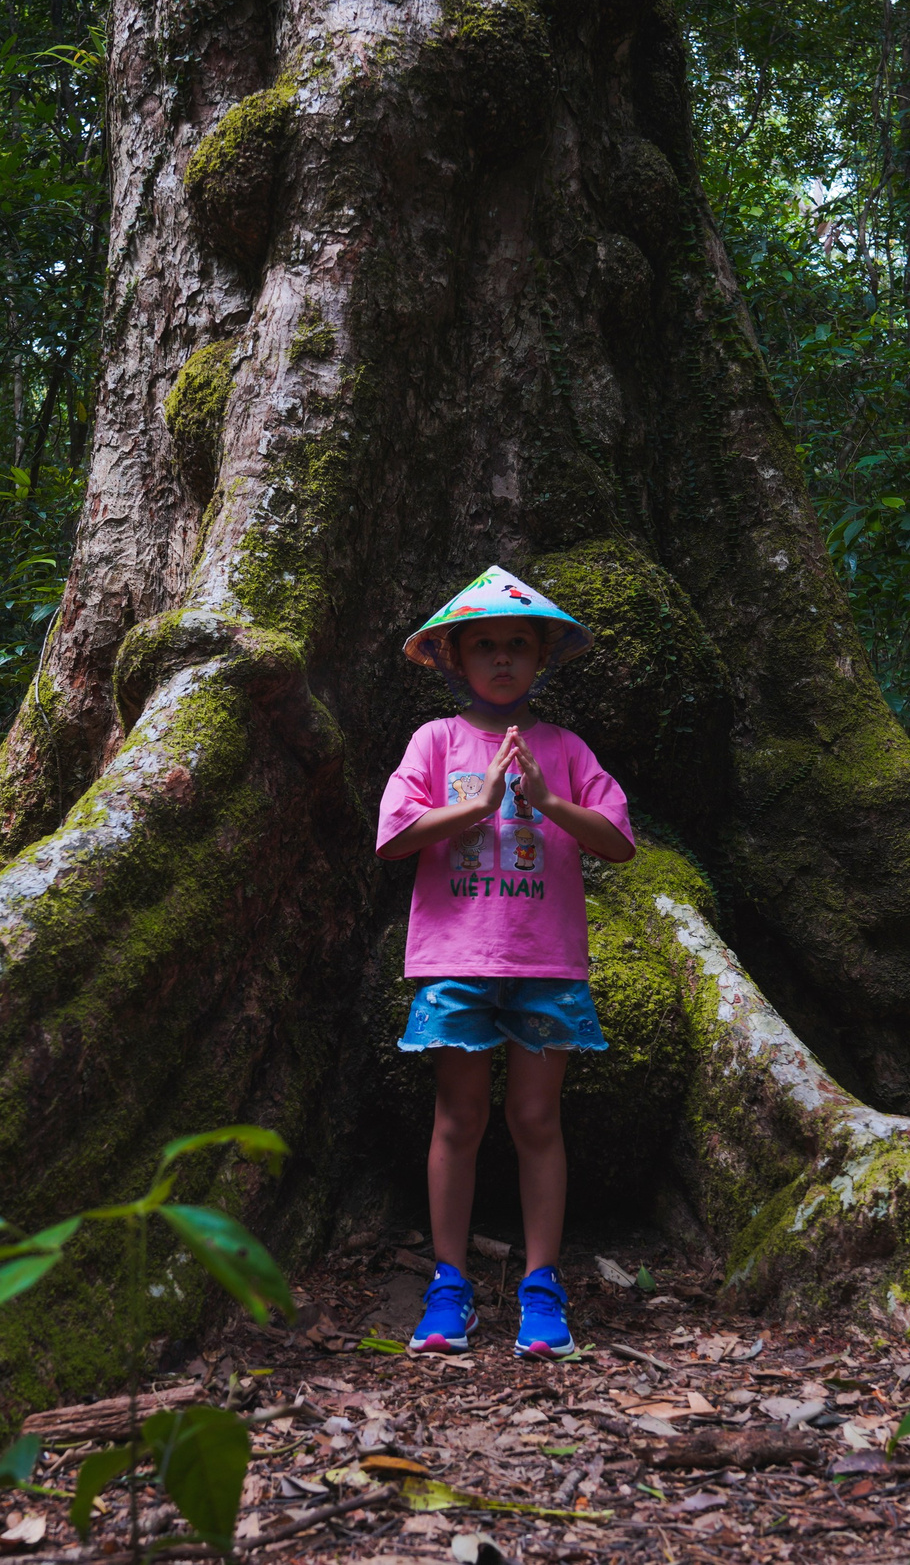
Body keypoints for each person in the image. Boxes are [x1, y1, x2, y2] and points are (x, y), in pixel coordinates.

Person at [375, 567, 636, 1357]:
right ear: (453, 657)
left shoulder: (564, 747)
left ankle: (541, 1284)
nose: (500, 659)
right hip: (456, 959)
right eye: (483, 645)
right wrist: (482, 804)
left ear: (541, 659)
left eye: (516, 645)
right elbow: (394, 833)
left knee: (534, 1118)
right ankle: (448, 1284)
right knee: (459, 1118)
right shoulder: (435, 741)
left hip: (546, 962)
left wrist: (547, 800)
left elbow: (619, 841)